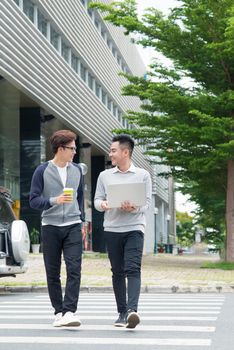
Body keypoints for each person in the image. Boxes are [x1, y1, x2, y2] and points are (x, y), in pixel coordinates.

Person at [94, 134, 152, 329]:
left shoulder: (143, 175)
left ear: (125, 152)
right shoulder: (104, 176)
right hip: (112, 228)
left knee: (133, 268)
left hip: (135, 228)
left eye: (113, 151)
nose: (110, 154)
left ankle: (131, 311)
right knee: (117, 271)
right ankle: (121, 312)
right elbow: (96, 201)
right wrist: (103, 204)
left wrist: (133, 207)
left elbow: (146, 204)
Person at [29, 129, 85, 327]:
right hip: (50, 226)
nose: (74, 152)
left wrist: (82, 222)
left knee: (74, 268)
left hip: (73, 225)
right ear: (60, 149)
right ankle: (59, 311)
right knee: (53, 272)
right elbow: (33, 201)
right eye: (71, 148)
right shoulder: (42, 170)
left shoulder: (77, 170)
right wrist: (55, 200)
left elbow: (79, 198)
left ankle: (69, 311)